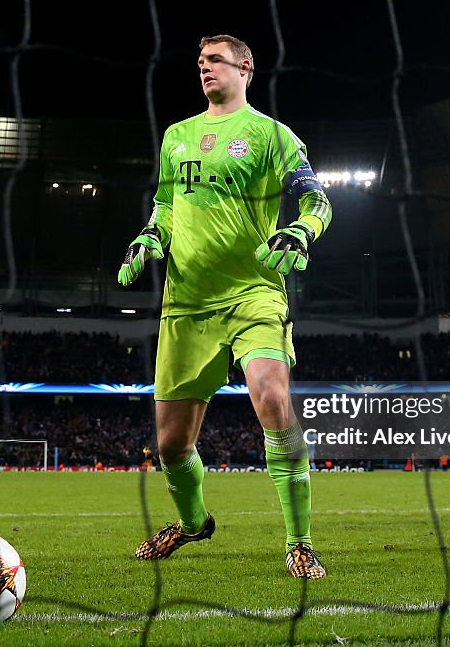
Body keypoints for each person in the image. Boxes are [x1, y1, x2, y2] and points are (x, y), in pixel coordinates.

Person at [117, 34, 333, 578]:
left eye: (214, 60)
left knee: (272, 400)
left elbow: (318, 199)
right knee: (170, 444)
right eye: (199, 63)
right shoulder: (177, 136)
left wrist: (300, 232)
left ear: (245, 66)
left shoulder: (272, 135)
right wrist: (148, 238)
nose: (204, 69)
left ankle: (299, 542)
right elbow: (166, 205)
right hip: (185, 303)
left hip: (253, 292)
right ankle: (192, 525)